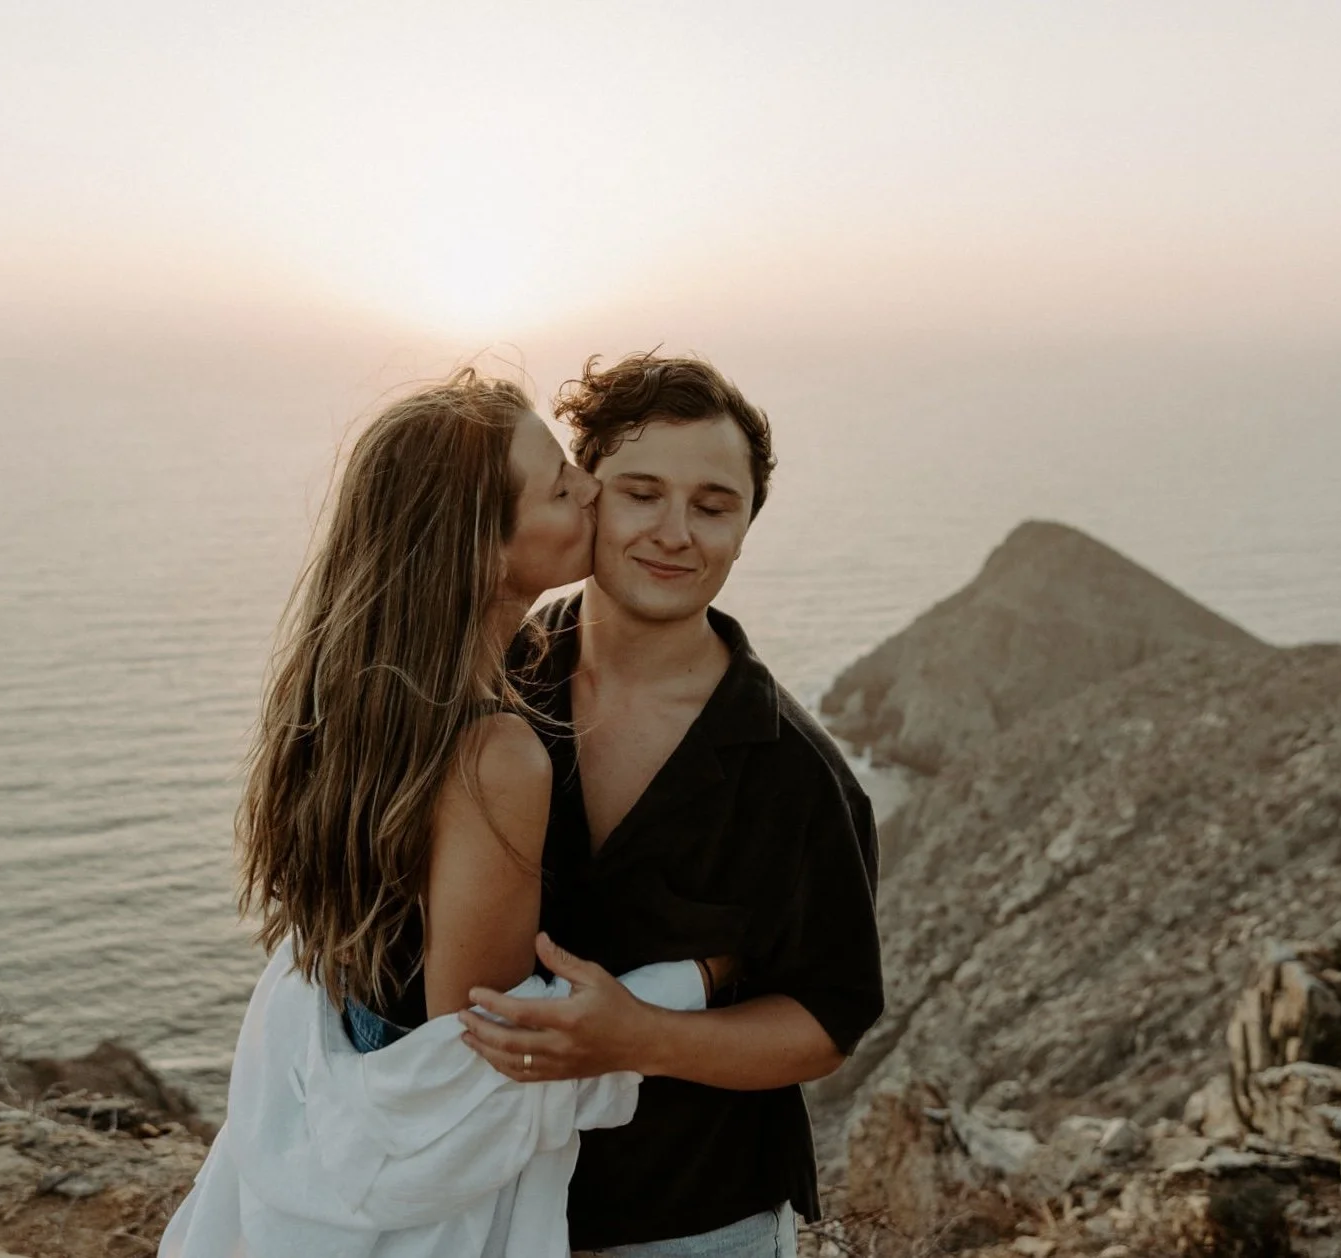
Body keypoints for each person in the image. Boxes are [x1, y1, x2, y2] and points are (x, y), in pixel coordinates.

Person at [158, 369, 725, 1258]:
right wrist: (705, 979)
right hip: (415, 1171)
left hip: (335, 1084)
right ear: (483, 545)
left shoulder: (350, 696)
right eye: (560, 484)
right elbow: (484, 1051)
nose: (593, 485)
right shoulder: (495, 755)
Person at [463, 353, 886, 1257]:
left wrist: (638, 1037)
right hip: (481, 1205)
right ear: (586, 498)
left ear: (744, 528)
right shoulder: (489, 692)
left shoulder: (798, 777)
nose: (674, 533)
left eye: (712, 505)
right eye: (641, 492)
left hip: (694, 1223)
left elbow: (824, 1024)